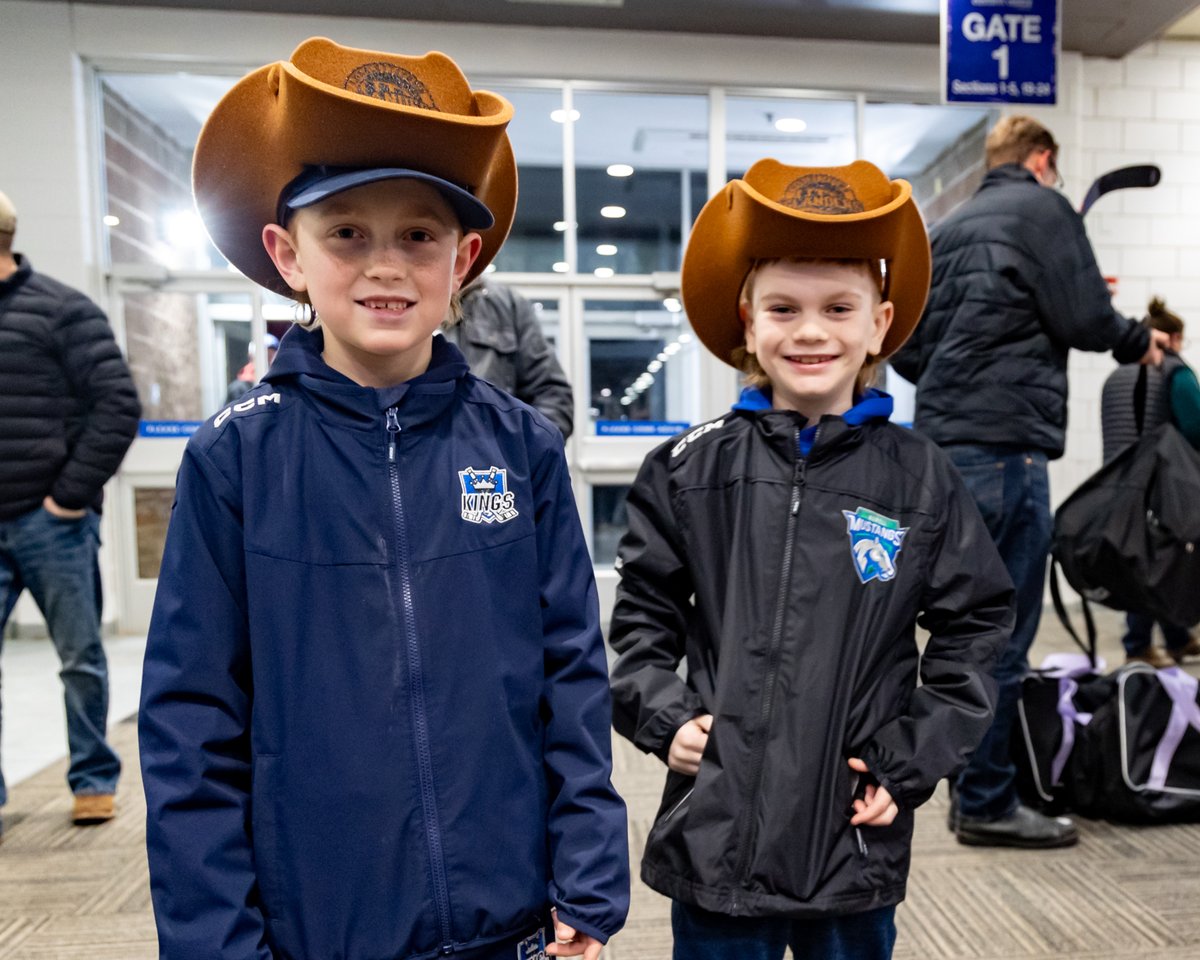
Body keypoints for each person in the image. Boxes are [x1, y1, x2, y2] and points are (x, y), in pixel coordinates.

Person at [138, 38, 628, 960]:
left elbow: (572, 676)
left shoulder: (520, 449)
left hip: (508, 920)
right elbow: (190, 723)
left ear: (464, 258)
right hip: (320, 928)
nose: (386, 265)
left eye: (419, 235)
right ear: (288, 255)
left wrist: (590, 874)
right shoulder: (235, 457)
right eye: (347, 234)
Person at [608, 159, 1014, 960]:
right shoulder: (690, 471)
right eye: (783, 308)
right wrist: (661, 712)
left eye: (839, 308)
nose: (811, 330)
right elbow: (642, 616)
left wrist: (907, 761)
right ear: (748, 323)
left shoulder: (919, 478)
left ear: (880, 323)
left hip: (848, 835)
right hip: (718, 833)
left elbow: (977, 626)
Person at [889, 115, 1165, 850]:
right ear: (1043, 160)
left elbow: (908, 352)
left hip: (941, 452)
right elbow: (1085, 318)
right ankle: (984, 800)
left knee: (956, 632)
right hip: (1008, 451)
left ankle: (957, 786)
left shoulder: (944, 227)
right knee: (1003, 638)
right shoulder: (1045, 209)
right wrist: (1143, 341)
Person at [0, 188, 141, 829]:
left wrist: (67, 499)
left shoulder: (62, 310)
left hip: (49, 522)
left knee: (79, 657)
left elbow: (117, 405)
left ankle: (92, 778)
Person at [1100, 296, 1200, 668]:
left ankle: (1176, 638)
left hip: (1116, 484)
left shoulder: (1114, 377)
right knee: (1165, 564)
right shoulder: (1175, 371)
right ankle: (1140, 644)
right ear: (1171, 338)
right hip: (1161, 485)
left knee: (1137, 560)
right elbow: (1194, 426)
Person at [443, 277, 574, 438]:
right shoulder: (409, 303)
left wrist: (516, 452)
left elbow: (552, 395)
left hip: (495, 459)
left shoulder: (507, 304)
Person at [224, 332, 279, 403]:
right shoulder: (239, 388)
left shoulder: (279, 384)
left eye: (272, 356)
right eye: (266, 356)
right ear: (251, 357)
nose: (269, 361)